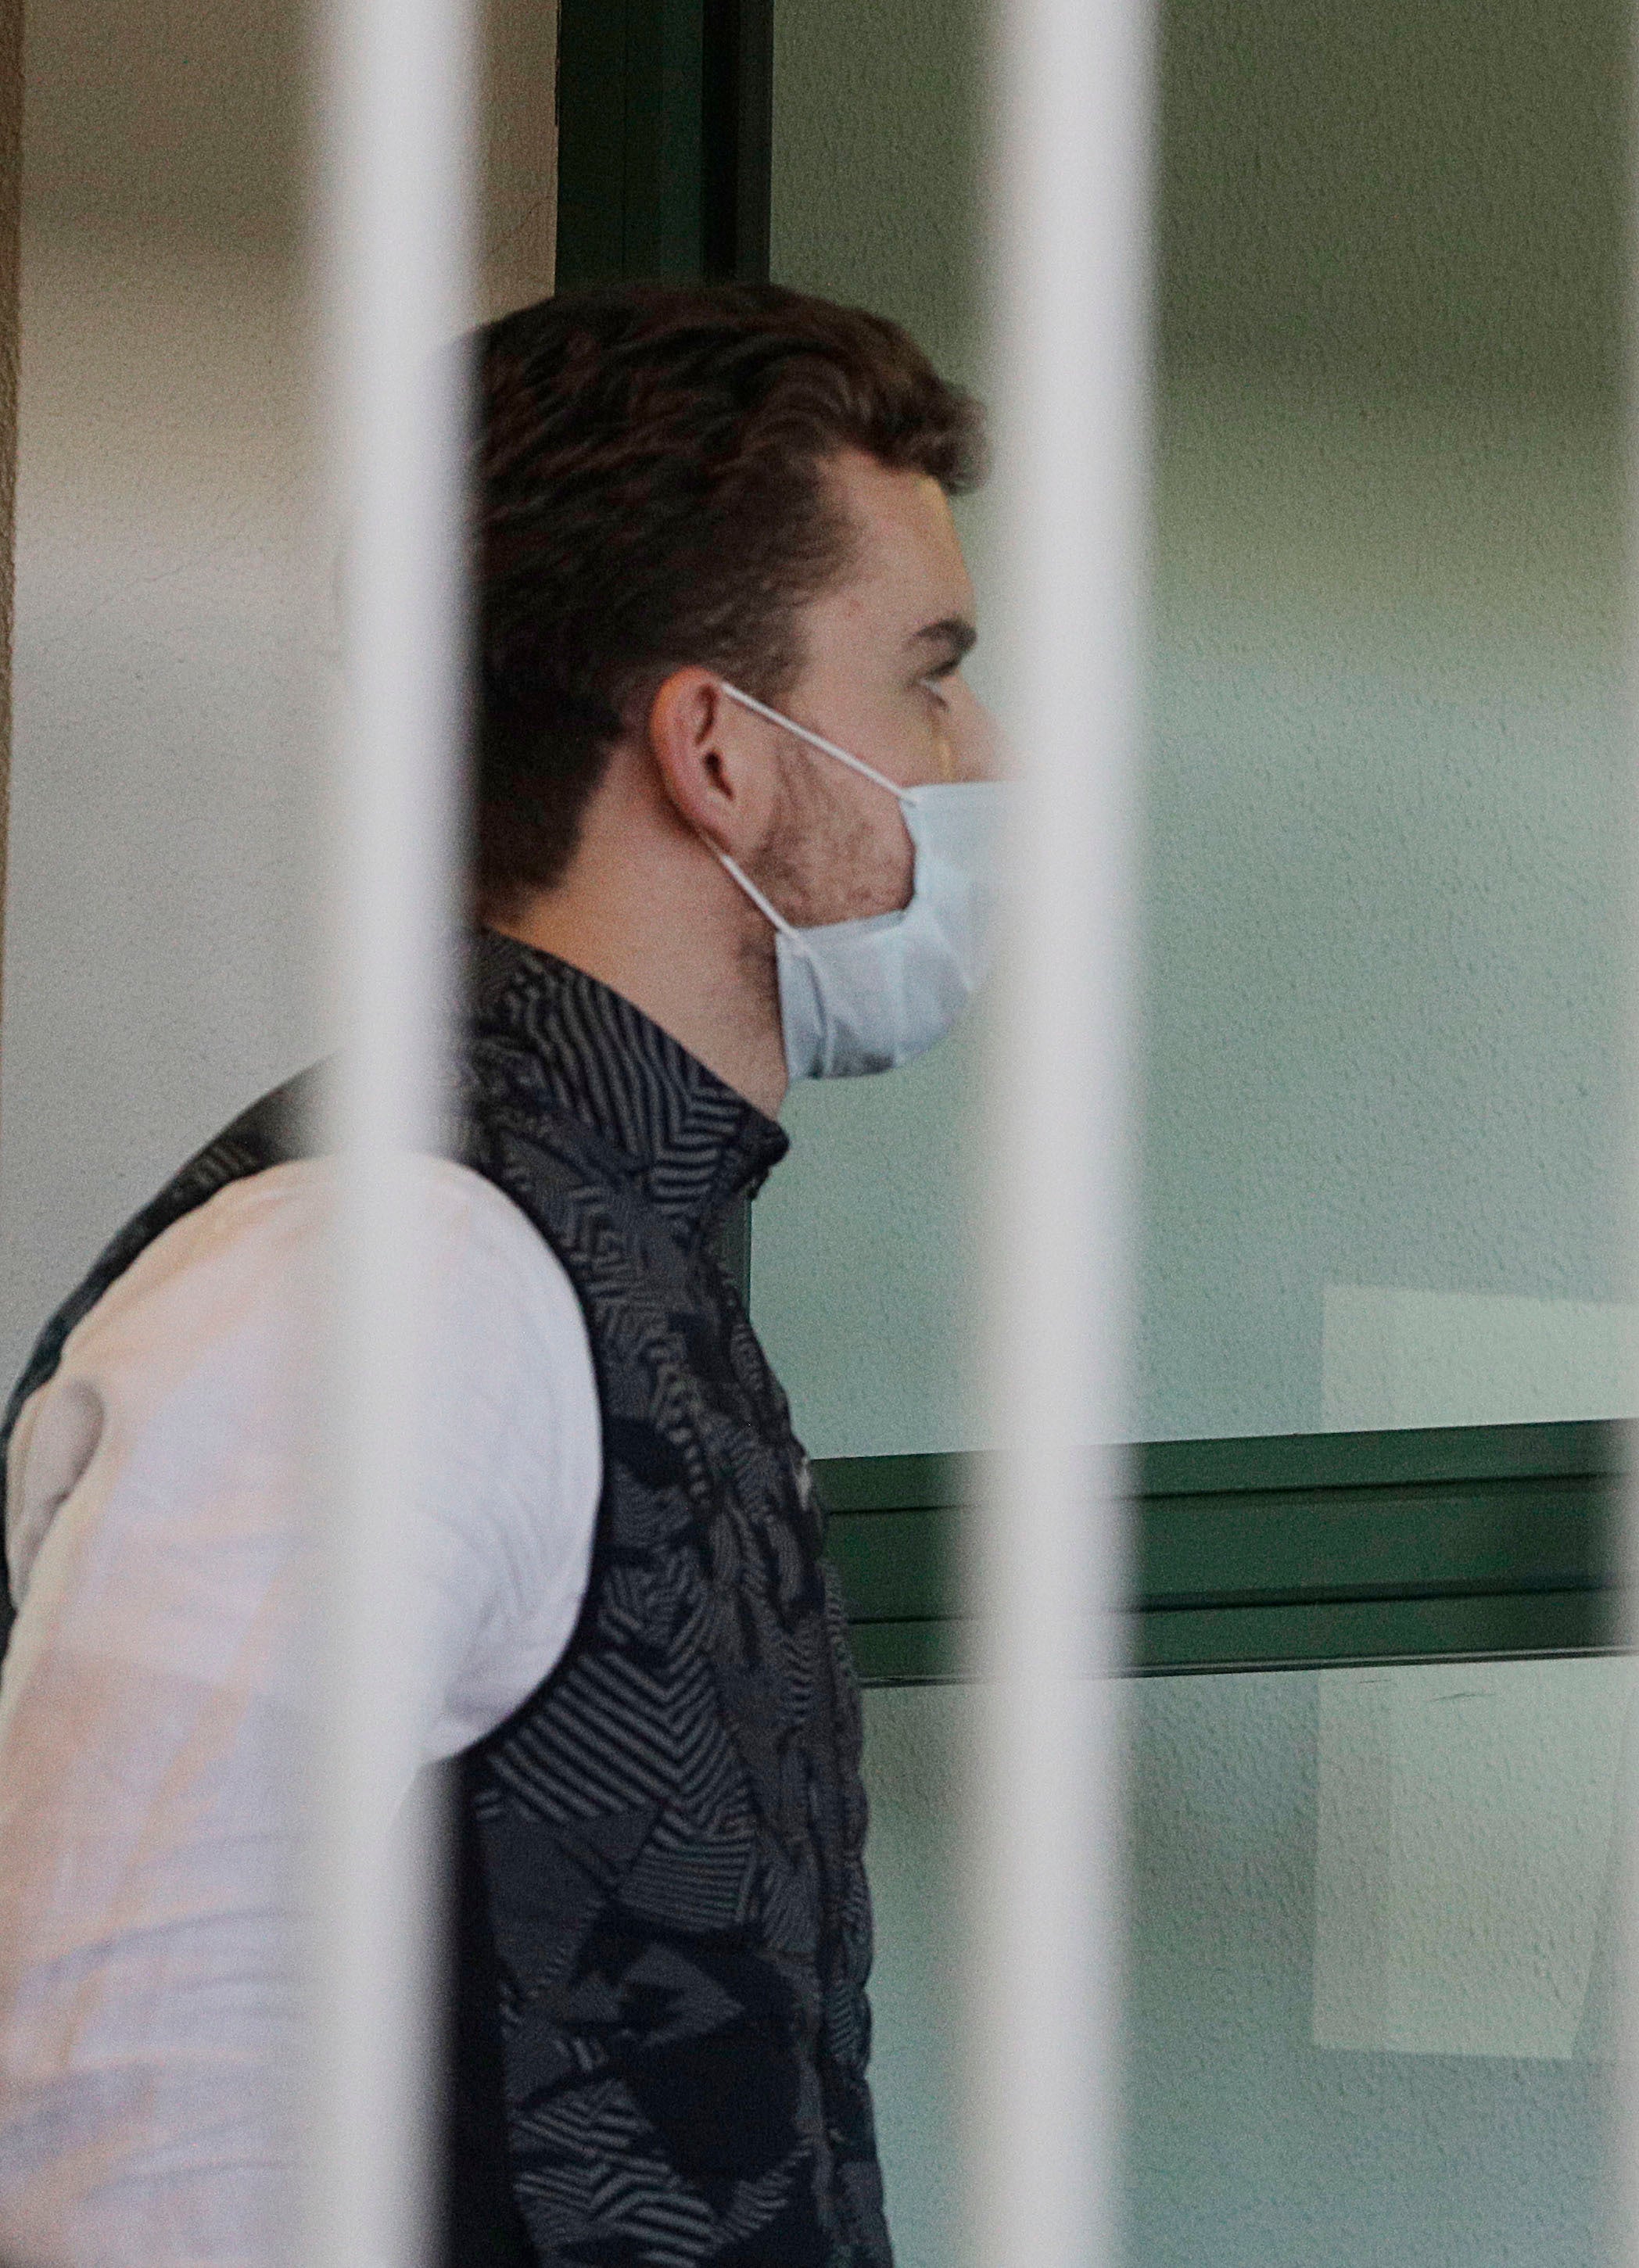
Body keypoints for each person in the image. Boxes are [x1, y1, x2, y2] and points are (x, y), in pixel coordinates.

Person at [0, 281, 997, 2266]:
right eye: (932, 677)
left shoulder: (594, 1247)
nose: (984, 751)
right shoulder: (391, 1279)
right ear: (718, 748)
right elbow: (115, 2105)